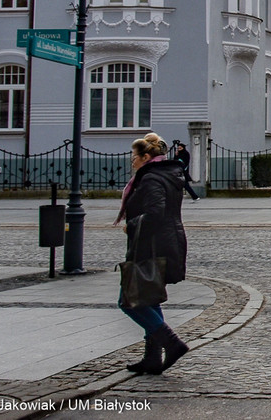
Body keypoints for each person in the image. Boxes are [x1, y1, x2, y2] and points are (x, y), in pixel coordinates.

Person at [116, 132, 191, 375]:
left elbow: (156, 213)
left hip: (151, 244)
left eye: (134, 158)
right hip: (163, 242)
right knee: (148, 297)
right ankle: (152, 357)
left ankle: (172, 343)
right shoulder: (166, 174)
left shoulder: (150, 179)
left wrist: (132, 224)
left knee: (129, 301)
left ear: (146, 156)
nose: (132, 162)